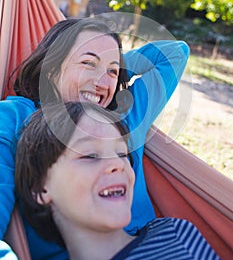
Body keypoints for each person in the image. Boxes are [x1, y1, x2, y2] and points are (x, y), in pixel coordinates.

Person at [0, 16, 190, 259]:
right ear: (51, 69)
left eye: (112, 71)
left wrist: (115, 69)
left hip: (154, 246)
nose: (102, 83)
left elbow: (175, 53)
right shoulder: (16, 116)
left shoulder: (127, 115)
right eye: (88, 63)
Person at [15, 101, 219, 260]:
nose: (118, 163)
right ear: (41, 189)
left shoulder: (175, 233)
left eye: (122, 153)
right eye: (90, 155)